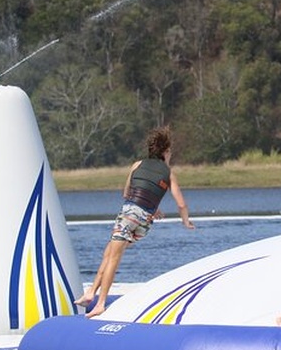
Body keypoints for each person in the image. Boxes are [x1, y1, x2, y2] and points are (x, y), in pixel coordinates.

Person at [75, 126, 195, 318]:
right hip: (144, 222)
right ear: (165, 152)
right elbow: (181, 204)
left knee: (113, 256)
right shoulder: (169, 173)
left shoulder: (137, 165)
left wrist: (141, 205)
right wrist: (186, 222)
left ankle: (101, 303)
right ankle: (91, 293)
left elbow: (127, 193)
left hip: (130, 215)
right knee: (110, 251)